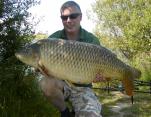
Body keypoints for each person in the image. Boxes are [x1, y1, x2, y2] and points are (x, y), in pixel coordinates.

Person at [39, 1, 103, 117]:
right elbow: (40, 68)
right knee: (46, 83)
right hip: (61, 85)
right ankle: (65, 113)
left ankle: (81, 109)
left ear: (81, 17)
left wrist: (100, 77)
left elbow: (100, 72)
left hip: (83, 88)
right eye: (64, 17)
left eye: (73, 16)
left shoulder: (92, 40)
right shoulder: (53, 39)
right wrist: (42, 70)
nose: (69, 20)